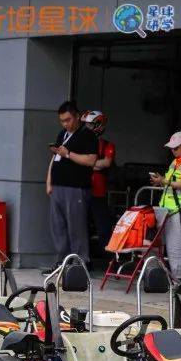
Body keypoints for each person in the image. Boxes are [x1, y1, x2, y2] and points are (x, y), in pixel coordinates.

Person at [45, 101, 98, 274]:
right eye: (62, 121)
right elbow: (55, 157)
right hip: (58, 186)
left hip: (76, 187)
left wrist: (68, 154)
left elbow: (91, 160)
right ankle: (62, 261)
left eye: (68, 120)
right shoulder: (62, 134)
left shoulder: (87, 135)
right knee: (58, 226)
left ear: (77, 117)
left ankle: (79, 263)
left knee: (76, 226)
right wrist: (49, 181)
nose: (65, 124)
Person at [150, 132, 181, 282]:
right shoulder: (175, 162)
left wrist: (164, 181)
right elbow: (170, 183)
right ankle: (167, 278)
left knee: (177, 248)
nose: (173, 151)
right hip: (167, 210)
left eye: (176, 148)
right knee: (162, 247)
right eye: (171, 148)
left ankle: (180, 280)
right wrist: (160, 181)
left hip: (178, 211)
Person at [81, 110, 116, 260]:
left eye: (90, 124)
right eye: (86, 124)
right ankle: (83, 259)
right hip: (82, 191)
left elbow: (106, 162)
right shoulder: (80, 143)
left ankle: (108, 261)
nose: (86, 127)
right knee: (81, 226)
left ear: (99, 126)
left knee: (103, 227)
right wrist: (93, 164)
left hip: (99, 194)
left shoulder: (107, 145)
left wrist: (86, 163)